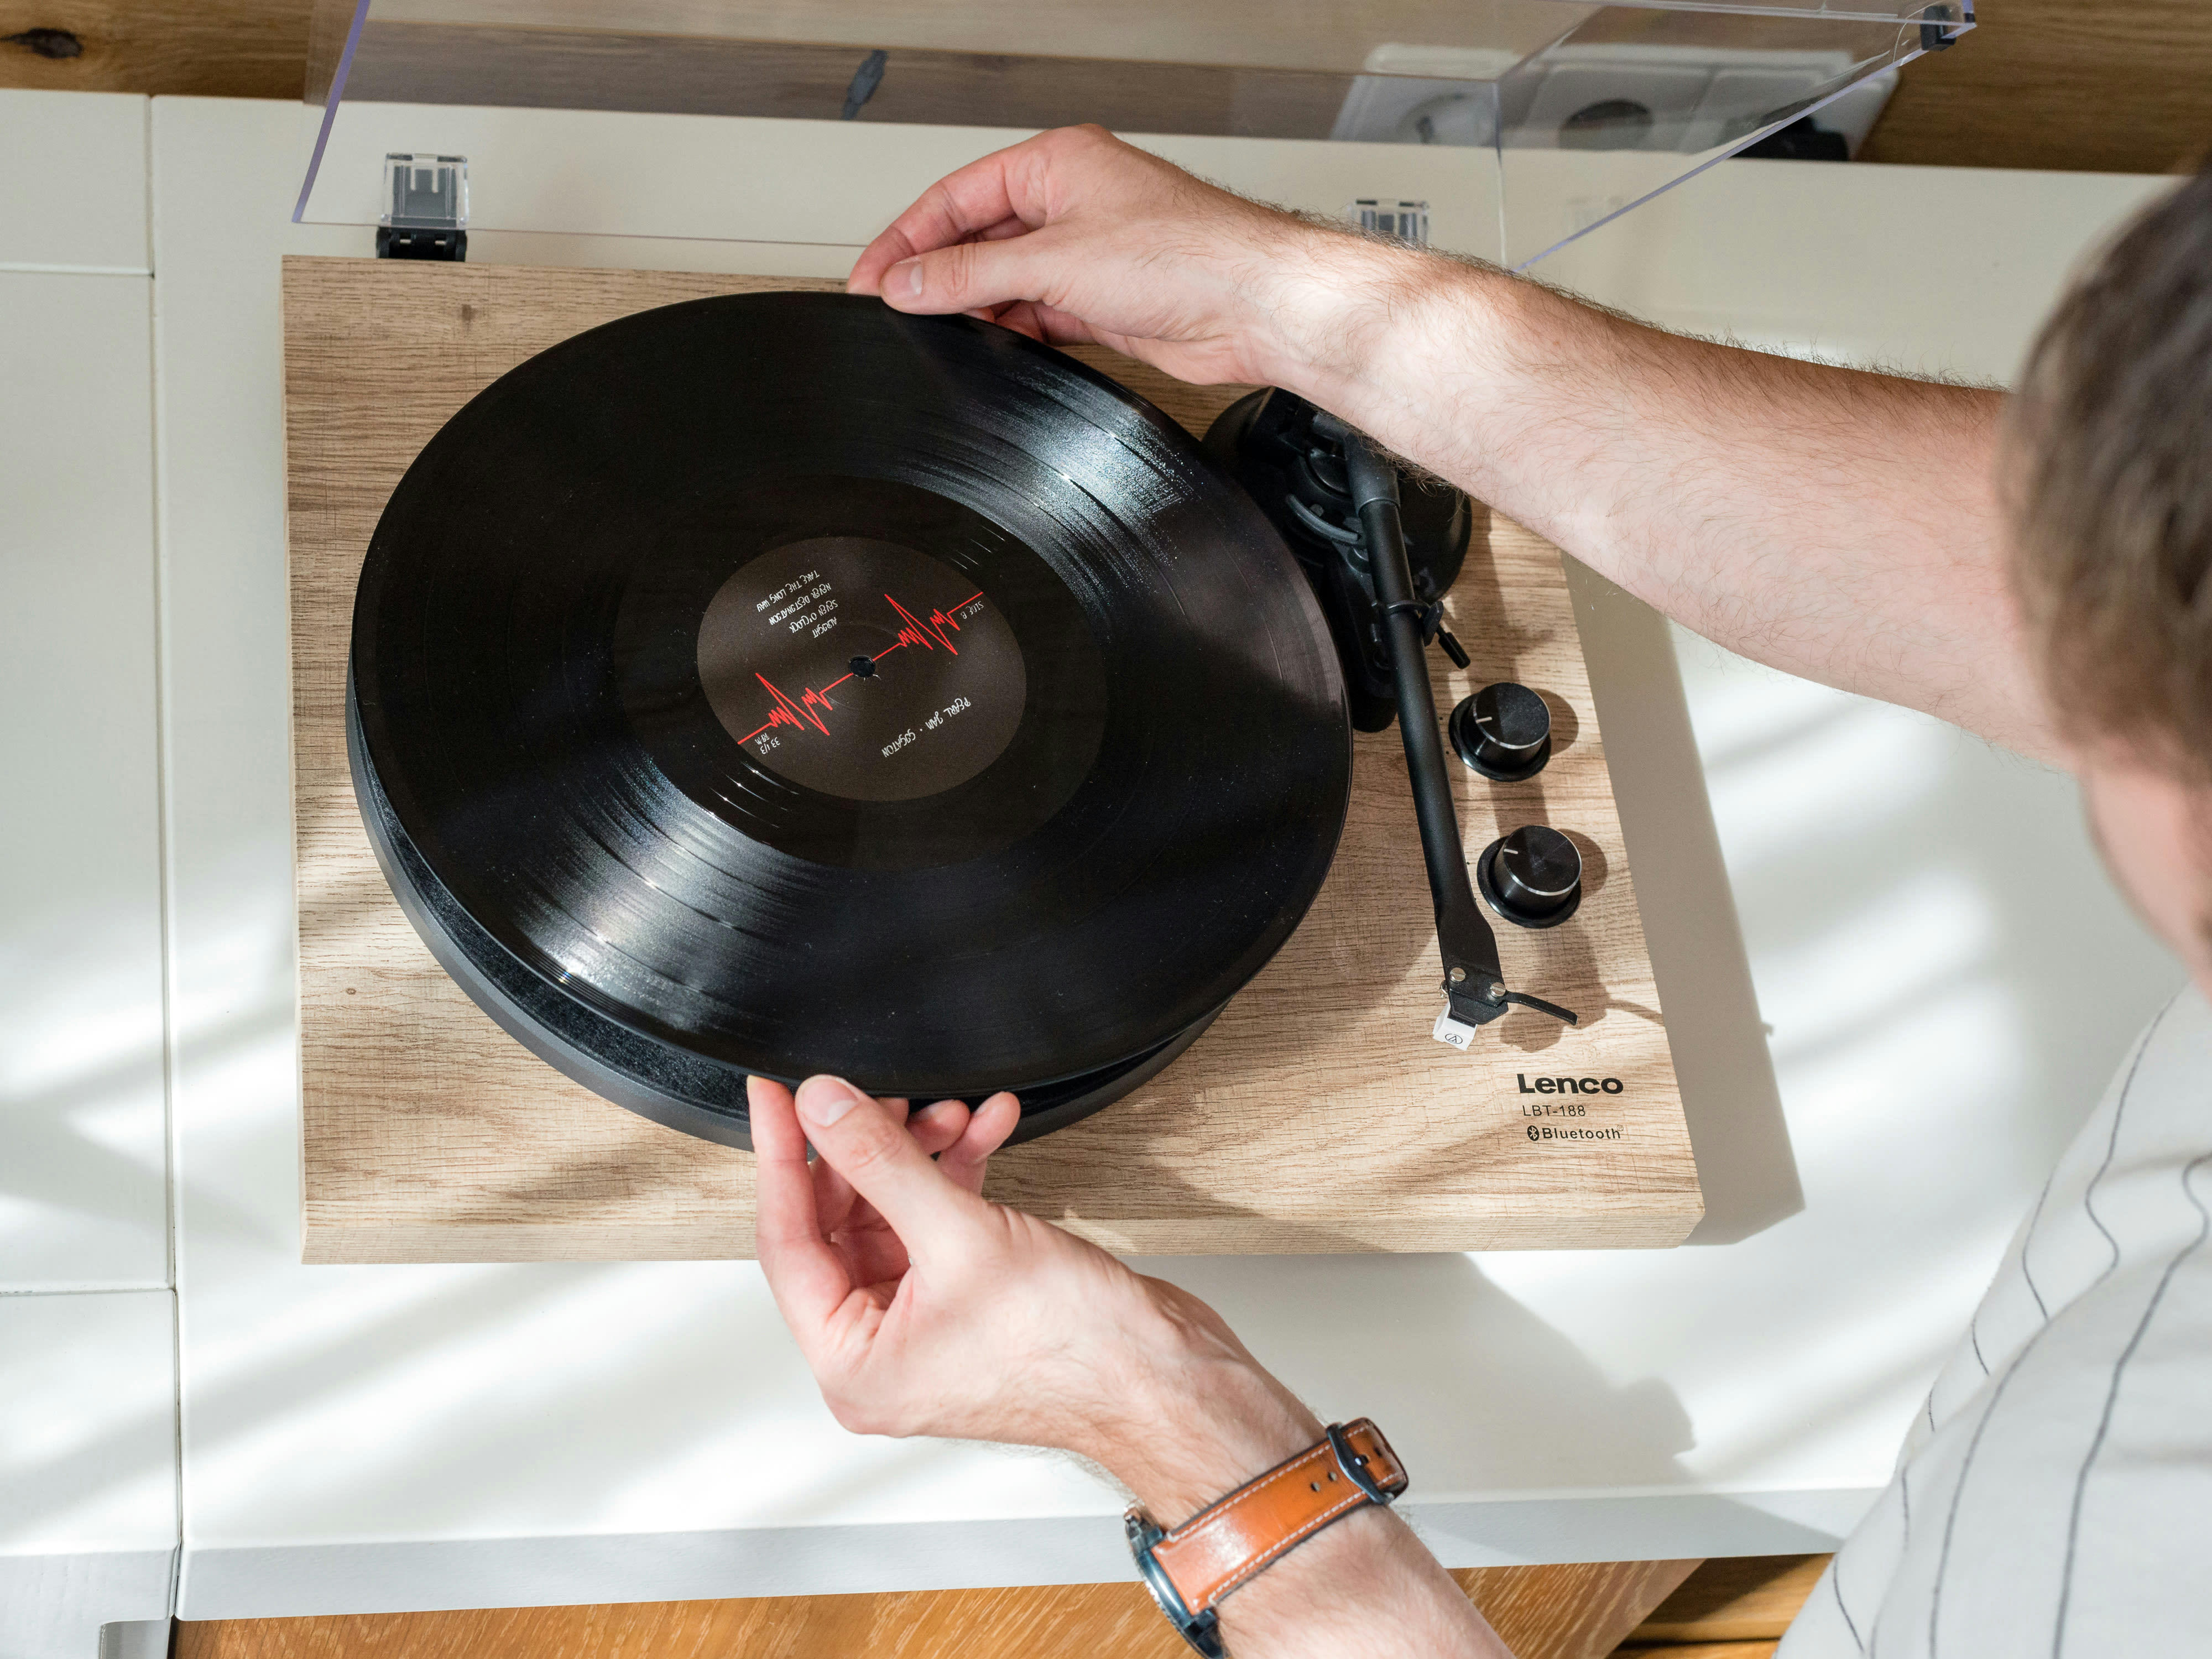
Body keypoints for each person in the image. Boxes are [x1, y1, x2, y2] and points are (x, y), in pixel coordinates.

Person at [745, 127, 2212, 1657]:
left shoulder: (2134, 1537)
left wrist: (1163, 1406)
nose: (2078, 624)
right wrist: (1306, 304)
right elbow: (2055, 563)